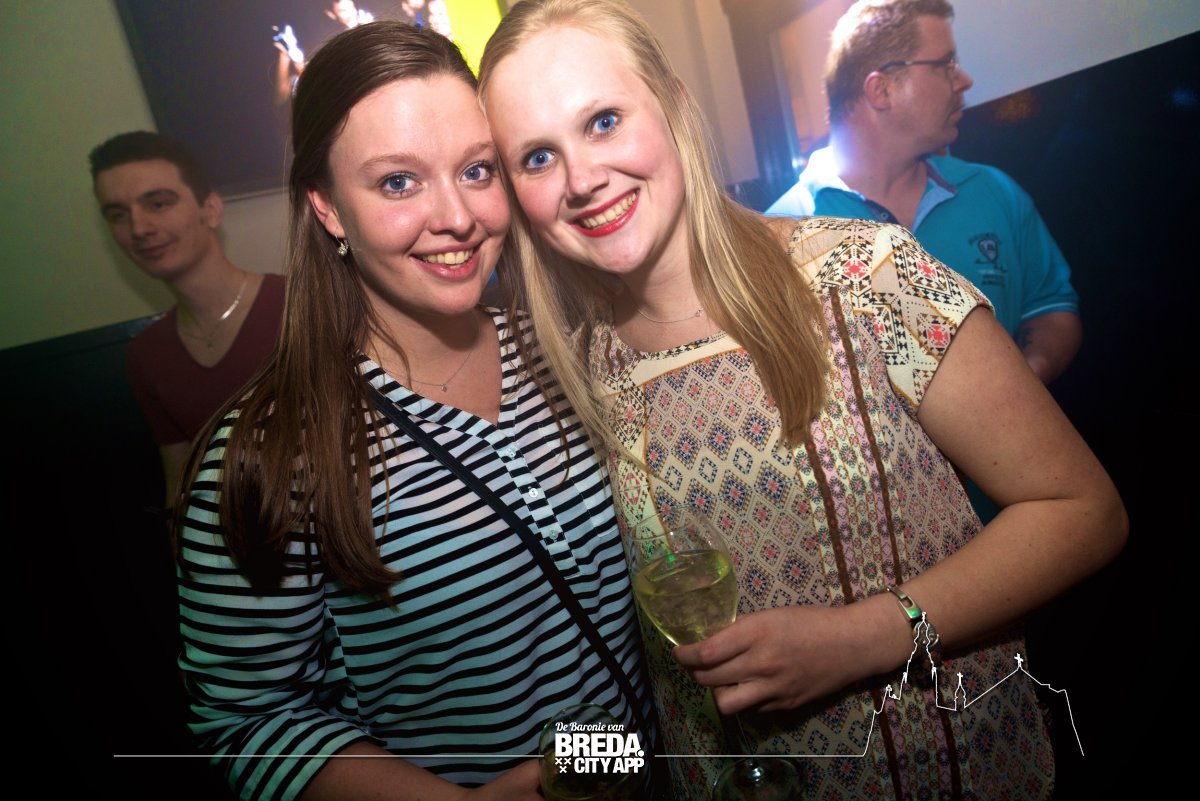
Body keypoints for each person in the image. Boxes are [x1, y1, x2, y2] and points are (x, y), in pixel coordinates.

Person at [478, 1, 1126, 797]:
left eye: (604, 121)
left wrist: (863, 637)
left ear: (674, 103)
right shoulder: (574, 368)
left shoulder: (867, 275)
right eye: (537, 157)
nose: (582, 179)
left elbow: (1082, 510)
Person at [175, 21, 652, 801]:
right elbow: (249, 718)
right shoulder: (270, 449)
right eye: (398, 182)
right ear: (327, 206)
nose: (456, 216)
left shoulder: (565, 350)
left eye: (476, 170)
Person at [766, 0, 1081, 385]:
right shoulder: (778, 235)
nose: (964, 80)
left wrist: (1014, 392)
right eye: (945, 64)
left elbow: (1051, 308)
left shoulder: (994, 191)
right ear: (881, 89)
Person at [90, 131, 284, 499]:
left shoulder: (300, 304)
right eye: (118, 215)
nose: (139, 228)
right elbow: (181, 482)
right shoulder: (147, 355)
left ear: (210, 210)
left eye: (158, 204)